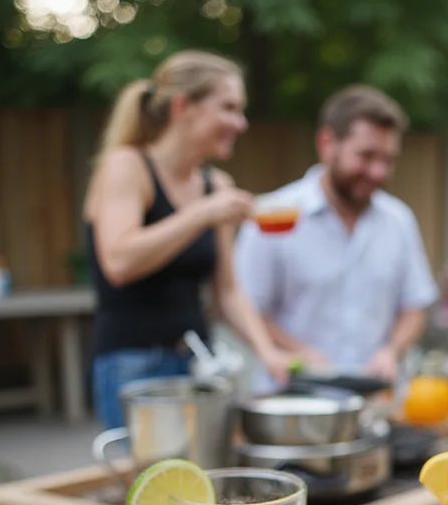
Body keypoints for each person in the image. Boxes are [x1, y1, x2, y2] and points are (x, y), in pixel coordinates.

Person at [85, 49, 293, 428]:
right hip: (133, 365)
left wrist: (268, 353)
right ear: (183, 107)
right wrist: (202, 213)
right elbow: (118, 262)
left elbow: (228, 291)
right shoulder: (127, 166)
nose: (241, 123)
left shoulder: (216, 184)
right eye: (228, 108)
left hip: (199, 361)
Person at [233, 85, 438, 388]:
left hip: (375, 398)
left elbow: (414, 307)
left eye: (388, 160)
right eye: (366, 156)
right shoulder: (272, 215)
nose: (378, 172)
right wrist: (299, 352)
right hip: (291, 396)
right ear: (327, 143)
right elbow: (245, 309)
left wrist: (392, 351)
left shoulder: (399, 220)